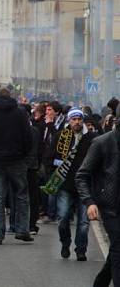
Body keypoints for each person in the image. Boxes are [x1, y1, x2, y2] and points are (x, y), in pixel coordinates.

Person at [0, 89, 33, 245]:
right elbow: (28, 136)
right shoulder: (20, 113)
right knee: (22, 195)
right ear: (10, 97)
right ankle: (22, 230)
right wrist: (24, 154)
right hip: (17, 160)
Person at [75, 111, 120, 286]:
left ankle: (100, 283)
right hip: (110, 206)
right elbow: (82, 175)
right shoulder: (102, 143)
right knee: (118, 248)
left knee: (117, 248)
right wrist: (89, 202)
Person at [45, 108, 95, 261]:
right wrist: (53, 176)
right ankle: (65, 244)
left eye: (79, 119)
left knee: (84, 222)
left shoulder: (91, 138)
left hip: (84, 186)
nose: (77, 122)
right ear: (69, 121)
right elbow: (48, 158)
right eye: (73, 119)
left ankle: (81, 250)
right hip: (65, 185)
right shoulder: (61, 137)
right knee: (63, 218)